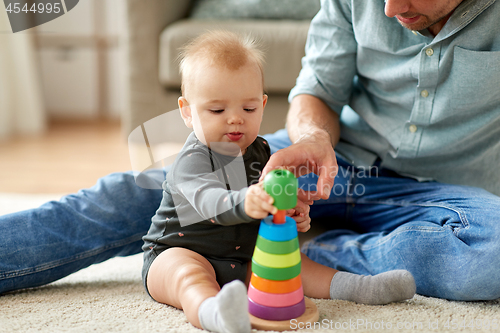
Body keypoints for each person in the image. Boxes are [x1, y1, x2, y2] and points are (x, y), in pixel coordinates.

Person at [0, 0, 498, 302]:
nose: (388, 9)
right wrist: (314, 140)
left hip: (443, 191)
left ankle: (317, 249)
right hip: (326, 157)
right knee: (130, 196)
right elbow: (318, 89)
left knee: (491, 259)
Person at [143, 31, 415, 333]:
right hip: (178, 251)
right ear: (187, 111)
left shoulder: (261, 151)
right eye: (217, 110)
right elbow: (209, 201)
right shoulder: (192, 160)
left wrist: (291, 208)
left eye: (248, 109)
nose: (235, 119)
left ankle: (361, 287)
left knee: (293, 266)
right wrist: (246, 201)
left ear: (262, 103)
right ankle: (213, 313)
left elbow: (272, 197)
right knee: (188, 276)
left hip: (243, 258)